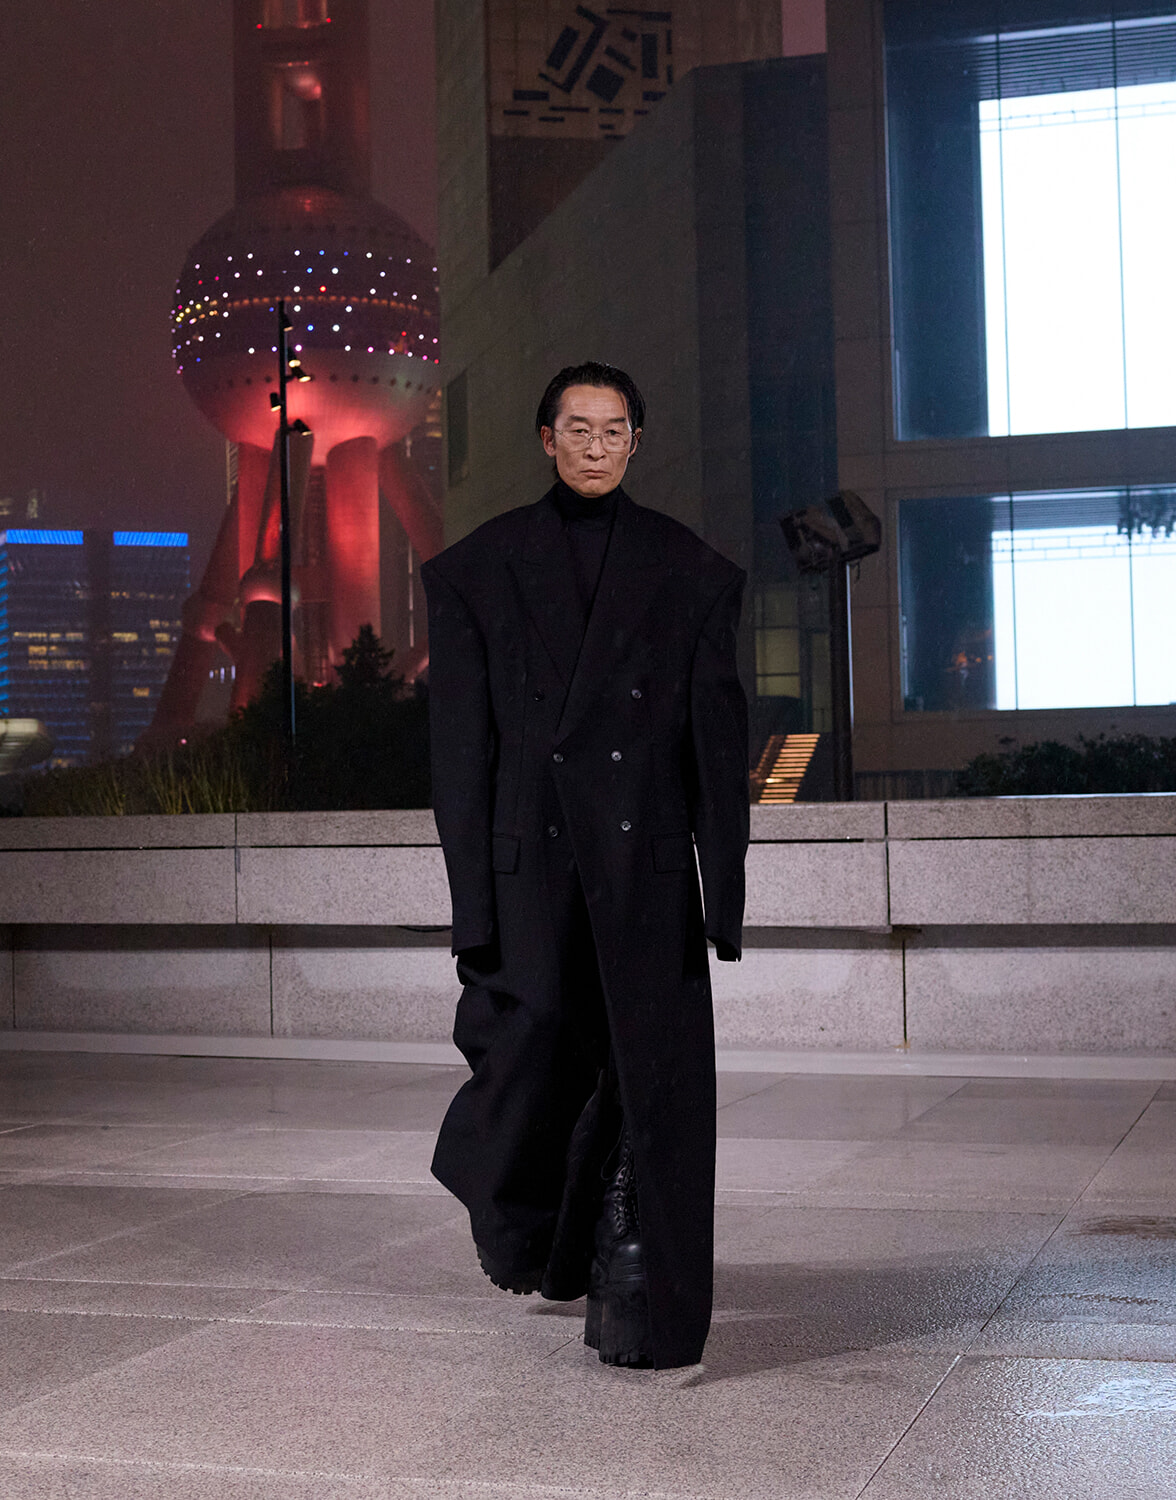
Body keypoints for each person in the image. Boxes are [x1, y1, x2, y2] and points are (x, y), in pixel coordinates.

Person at [422, 362, 748, 1370]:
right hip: (532, 866)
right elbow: (459, 756)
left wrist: (722, 891)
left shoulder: (690, 571)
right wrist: (471, 906)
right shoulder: (478, 571)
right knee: (536, 1051)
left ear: (636, 441)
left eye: (615, 430)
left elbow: (717, 743)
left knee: (643, 1073)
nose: (597, 445)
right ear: (546, 437)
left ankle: (630, 1264)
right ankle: (526, 1208)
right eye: (579, 427)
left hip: (643, 864)